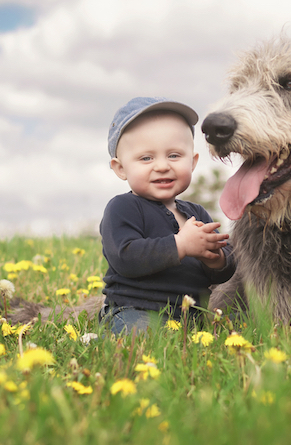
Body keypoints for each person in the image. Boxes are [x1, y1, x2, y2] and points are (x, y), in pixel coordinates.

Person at [99, 97, 235, 334]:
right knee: (142, 336)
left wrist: (216, 260)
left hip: (191, 315)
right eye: (146, 158)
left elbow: (225, 269)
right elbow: (125, 257)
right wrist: (180, 245)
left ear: (192, 163)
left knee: (215, 337)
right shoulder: (122, 208)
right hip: (135, 310)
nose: (162, 166)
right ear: (120, 168)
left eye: (174, 155)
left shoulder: (196, 213)